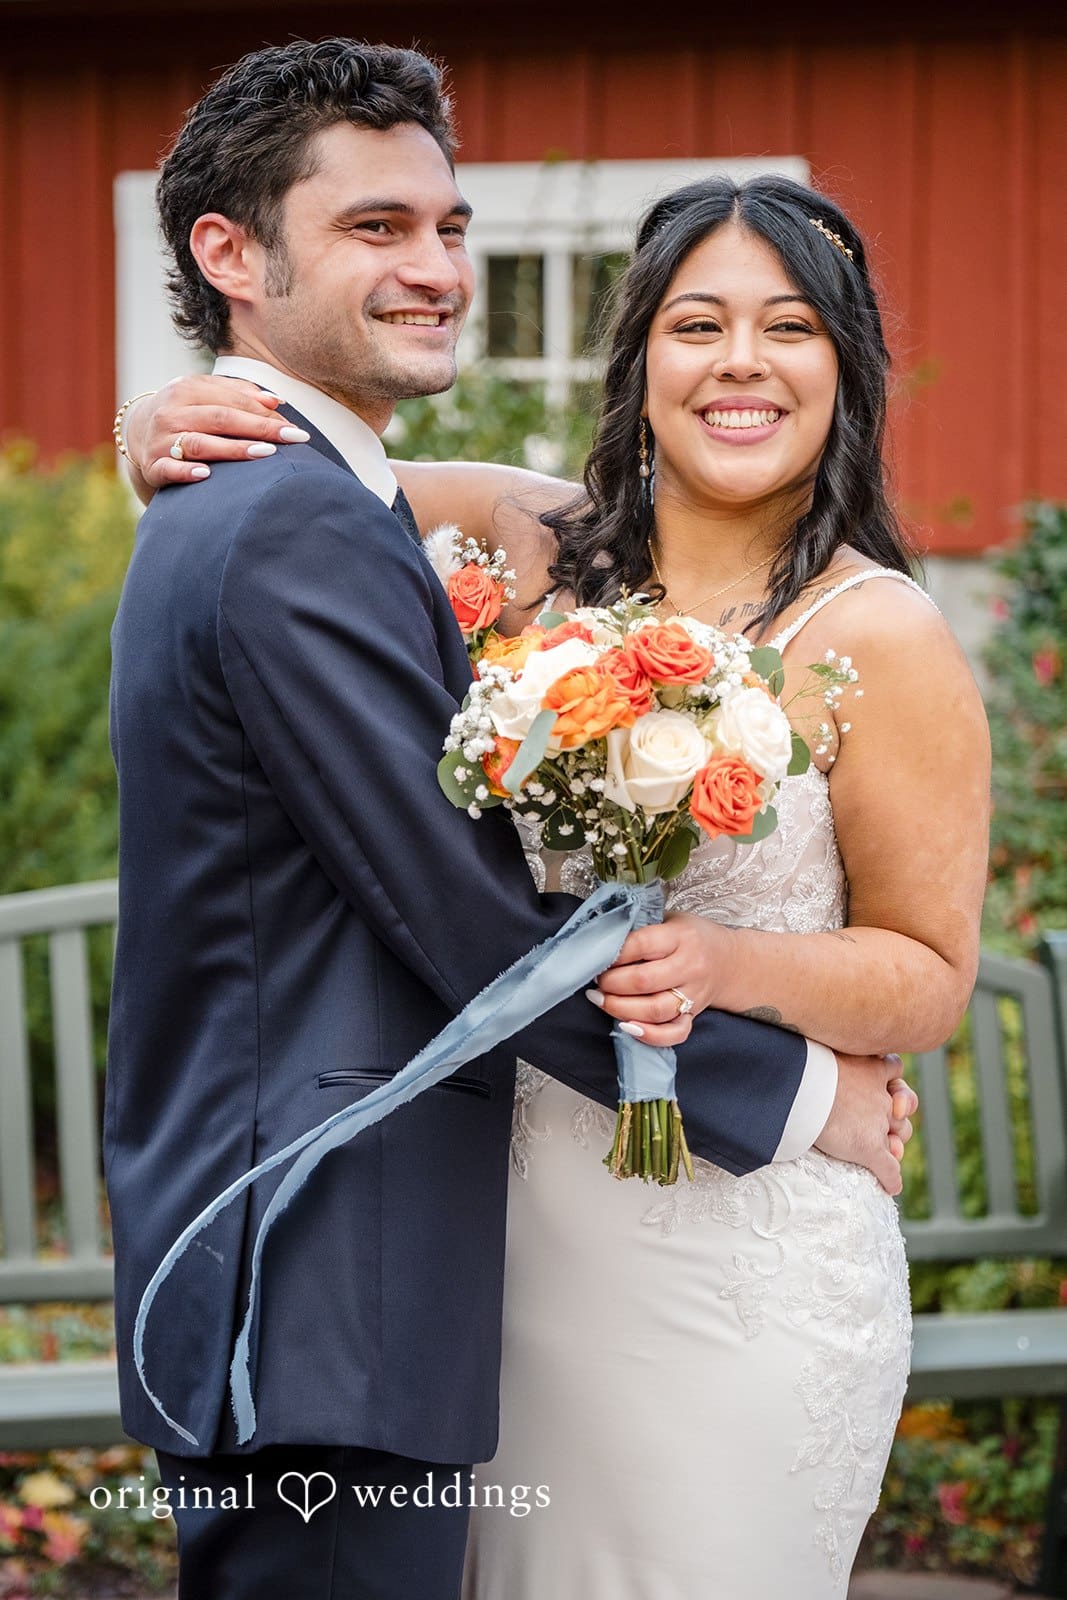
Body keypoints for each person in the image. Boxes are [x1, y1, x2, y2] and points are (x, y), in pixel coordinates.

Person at [108, 39, 918, 1600]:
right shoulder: (282, 519)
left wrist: (159, 429)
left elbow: (467, 508)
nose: (434, 270)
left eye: (449, 228)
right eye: (374, 230)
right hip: (323, 1287)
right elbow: (469, 919)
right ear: (228, 254)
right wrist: (805, 1097)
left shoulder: (316, 502)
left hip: (418, 1280)